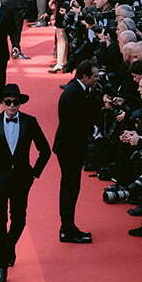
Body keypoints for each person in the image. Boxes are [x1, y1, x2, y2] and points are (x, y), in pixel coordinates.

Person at [0, 83, 50, 282]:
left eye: (15, 102)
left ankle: (8, 248)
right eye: (7, 102)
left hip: (21, 180)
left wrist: (34, 173)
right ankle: (2, 267)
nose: (11, 106)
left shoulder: (30, 122)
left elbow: (45, 150)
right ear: (2, 104)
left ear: (20, 103)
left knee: (19, 220)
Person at [54, 61, 100, 243]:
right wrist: (92, 132)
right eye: (95, 76)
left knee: (71, 188)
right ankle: (67, 229)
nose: (97, 79)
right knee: (70, 189)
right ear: (85, 76)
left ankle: (68, 227)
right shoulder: (72, 94)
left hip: (71, 146)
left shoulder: (78, 90)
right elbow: (74, 124)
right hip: (70, 148)